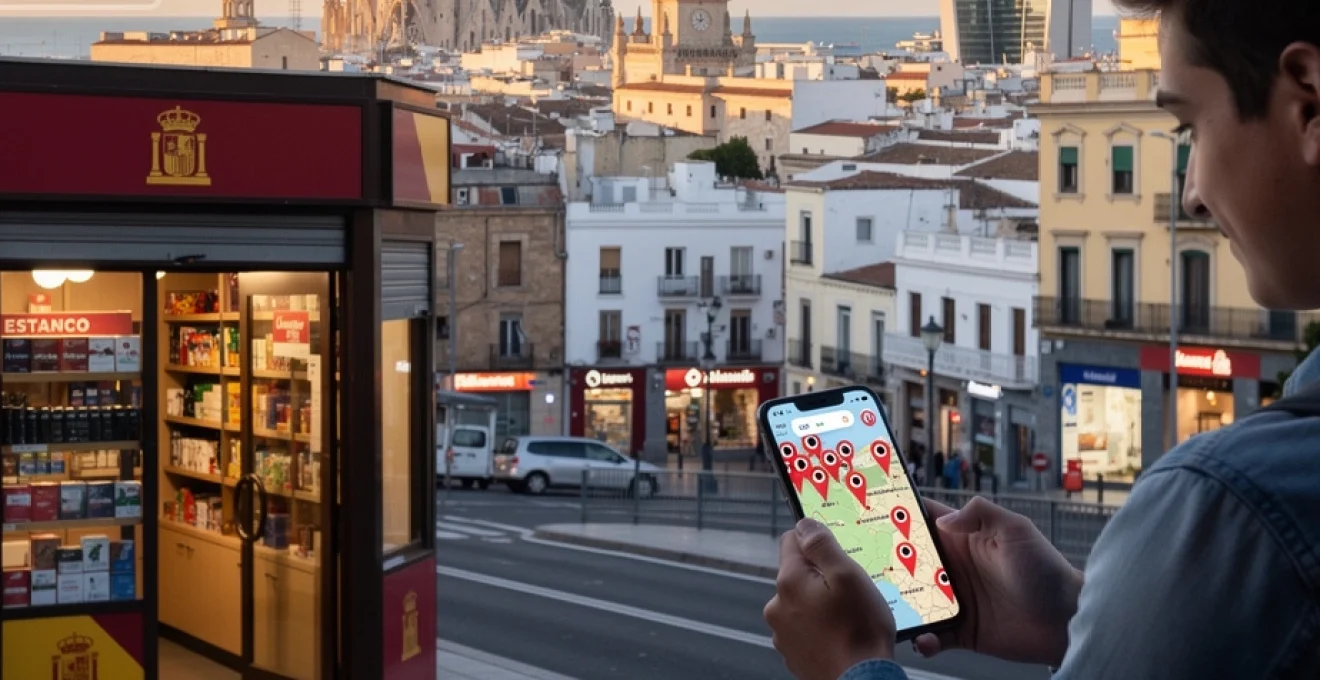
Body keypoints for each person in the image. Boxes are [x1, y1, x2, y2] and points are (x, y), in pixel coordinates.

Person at [764, 2, 1320, 678]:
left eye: (1191, 127)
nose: (1192, 192)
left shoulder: (1233, 509)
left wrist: (850, 665)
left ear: (1309, 102)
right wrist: (1084, 613)